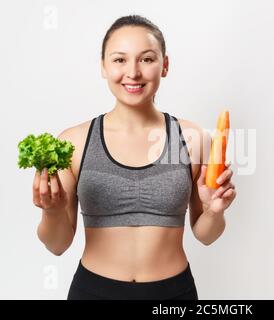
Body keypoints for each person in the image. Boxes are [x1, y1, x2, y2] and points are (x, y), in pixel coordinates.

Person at [33, 14, 237, 300]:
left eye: (147, 59)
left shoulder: (192, 138)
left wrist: (215, 210)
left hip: (173, 294)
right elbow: (57, 245)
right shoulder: (74, 142)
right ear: (103, 66)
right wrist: (52, 210)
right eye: (119, 60)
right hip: (94, 292)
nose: (133, 72)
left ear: (165, 65)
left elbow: (206, 235)